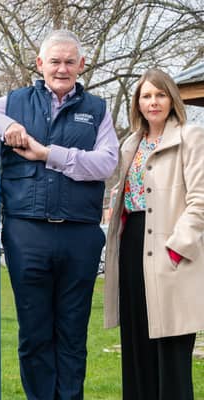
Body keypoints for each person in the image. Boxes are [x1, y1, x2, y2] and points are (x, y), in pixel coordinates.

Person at [0, 30, 119, 399]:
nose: (62, 68)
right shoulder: (14, 102)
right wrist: (3, 125)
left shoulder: (97, 110)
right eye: (54, 61)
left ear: (81, 65)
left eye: (69, 61)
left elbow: (107, 162)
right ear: (40, 64)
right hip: (28, 234)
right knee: (35, 332)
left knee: (72, 333)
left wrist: (48, 154)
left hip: (80, 234)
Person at [103, 68, 204, 400]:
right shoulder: (130, 143)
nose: (153, 102)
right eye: (146, 96)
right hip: (132, 245)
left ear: (171, 98)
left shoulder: (191, 137)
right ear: (137, 102)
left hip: (170, 249)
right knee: (137, 347)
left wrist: (177, 248)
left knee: (171, 351)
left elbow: (200, 199)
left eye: (160, 94)